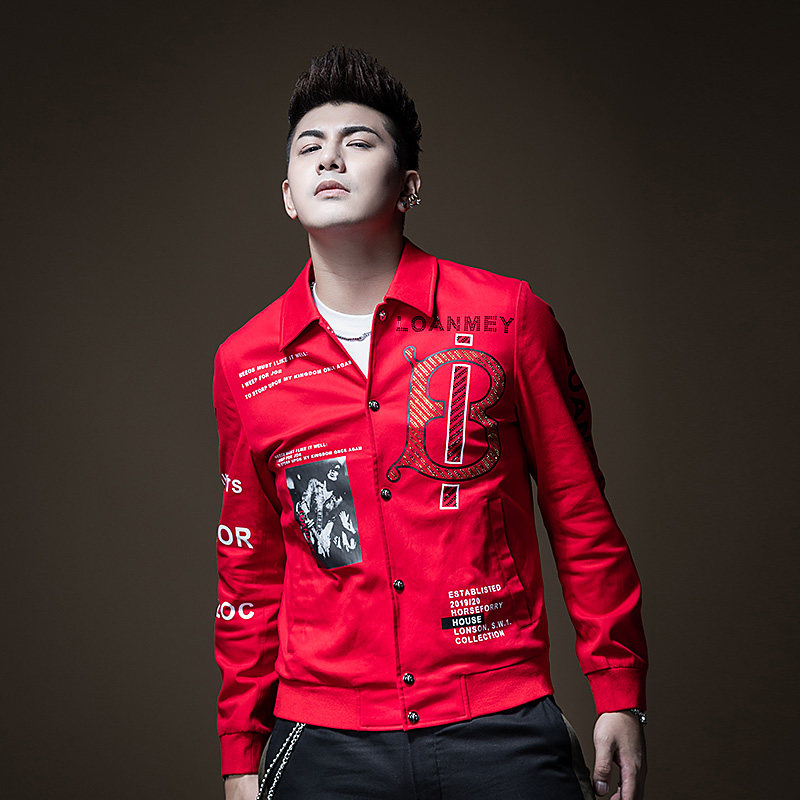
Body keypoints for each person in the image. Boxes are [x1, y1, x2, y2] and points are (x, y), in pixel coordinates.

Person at [213, 46, 648, 800]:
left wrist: (618, 687)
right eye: (310, 148)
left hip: (499, 719)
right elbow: (248, 569)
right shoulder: (245, 361)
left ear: (409, 184)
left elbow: (578, 510)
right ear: (288, 196)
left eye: (359, 142)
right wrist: (240, 751)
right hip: (323, 740)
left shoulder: (509, 318)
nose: (330, 159)